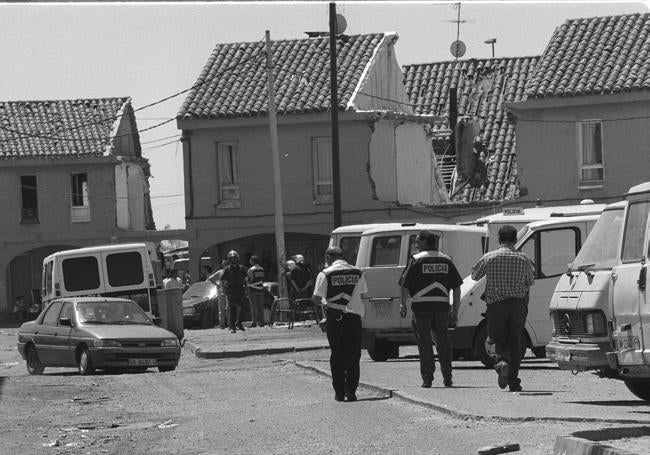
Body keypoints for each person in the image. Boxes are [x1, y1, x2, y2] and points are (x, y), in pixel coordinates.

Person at [471, 224, 535, 392]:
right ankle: (514, 382)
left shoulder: (489, 257)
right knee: (515, 342)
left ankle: (501, 364)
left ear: (499, 239)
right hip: (517, 306)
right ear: (515, 239)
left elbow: (474, 275)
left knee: (496, 339)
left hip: (496, 306)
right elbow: (530, 282)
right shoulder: (524, 259)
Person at [398, 230, 463, 388]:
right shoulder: (447, 260)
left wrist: (403, 305)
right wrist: (455, 312)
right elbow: (457, 287)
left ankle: (427, 379)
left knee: (424, 343)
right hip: (441, 309)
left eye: (418, 241)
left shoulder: (416, 260)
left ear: (426, 242)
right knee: (443, 343)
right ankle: (447, 378)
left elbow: (404, 285)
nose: (416, 244)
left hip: (421, 309)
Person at [312, 246, 367, 402]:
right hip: (354, 319)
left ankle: (339, 393)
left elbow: (316, 298)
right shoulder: (358, 272)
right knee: (353, 355)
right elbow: (362, 294)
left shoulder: (325, 273)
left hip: (335, 319)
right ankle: (351, 392)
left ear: (328, 257)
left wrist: (325, 304)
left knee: (337, 355)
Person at [221, 250, 248, 333]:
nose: (233, 260)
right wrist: (223, 290)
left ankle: (239, 323)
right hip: (231, 291)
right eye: (231, 259)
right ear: (229, 260)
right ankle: (233, 327)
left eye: (235, 258)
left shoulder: (242, 268)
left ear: (237, 259)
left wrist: (247, 288)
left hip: (241, 291)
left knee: (244, 308)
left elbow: (246, 279)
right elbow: (222, 280)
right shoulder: (226, 269)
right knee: (233, 310)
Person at [208, 260, 229, 329]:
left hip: (226, 291)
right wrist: (217, 284)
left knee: (226, 308)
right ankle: (224, 323)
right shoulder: (220, 272)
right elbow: (209, 279)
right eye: (224, 264)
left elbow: (210, 279)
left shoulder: (227, 271)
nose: (225, 265)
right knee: (224, 308)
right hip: (222, 290)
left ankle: (227, 323)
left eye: (226, 264)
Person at [247, 255, 266, 328]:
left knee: (253, 307)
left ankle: (254, 323)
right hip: (260, 290)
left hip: (252, 290)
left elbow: (249, 280)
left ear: (252, 261)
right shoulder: (262, 269)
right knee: (260, 307)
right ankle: (262, 323)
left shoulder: (251, 270)